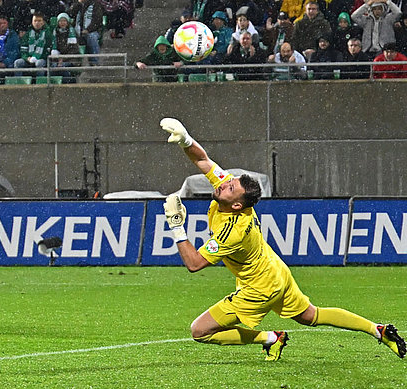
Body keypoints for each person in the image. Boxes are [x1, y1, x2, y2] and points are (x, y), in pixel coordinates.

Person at [159, 117, 406, 361]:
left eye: (230, 187)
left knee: (200, 331)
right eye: (229, 181)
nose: (223, 184)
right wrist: (186, 140)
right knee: (312, 316)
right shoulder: (230, 193)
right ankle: (378, 330)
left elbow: (194, 264)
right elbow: (203, 160)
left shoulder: (231, 231)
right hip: (275, 270)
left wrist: (176, 225)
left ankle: (269, 338)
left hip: (259, 288)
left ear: (236, 205)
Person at [70, 0, 104, 65]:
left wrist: (88, 29)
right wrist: (78, 4)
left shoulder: (95, 4)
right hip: (78, 30)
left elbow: (97, 20)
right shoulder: (77, 4)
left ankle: (94, 62)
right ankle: (74, 62)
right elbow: (70, 13)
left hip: (93, 30)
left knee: (92, 36)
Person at [50, 12, 81, 83]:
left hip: (71, 58)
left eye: (64, 21)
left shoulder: (72, 32)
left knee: (63, 67)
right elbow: (53, 47)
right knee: (52, 68)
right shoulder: (55, 32)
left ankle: (69, 84)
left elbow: (74, 50)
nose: (62, 23)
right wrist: (57, 58)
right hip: (58, 58)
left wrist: (63, 58)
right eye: (60, 21)